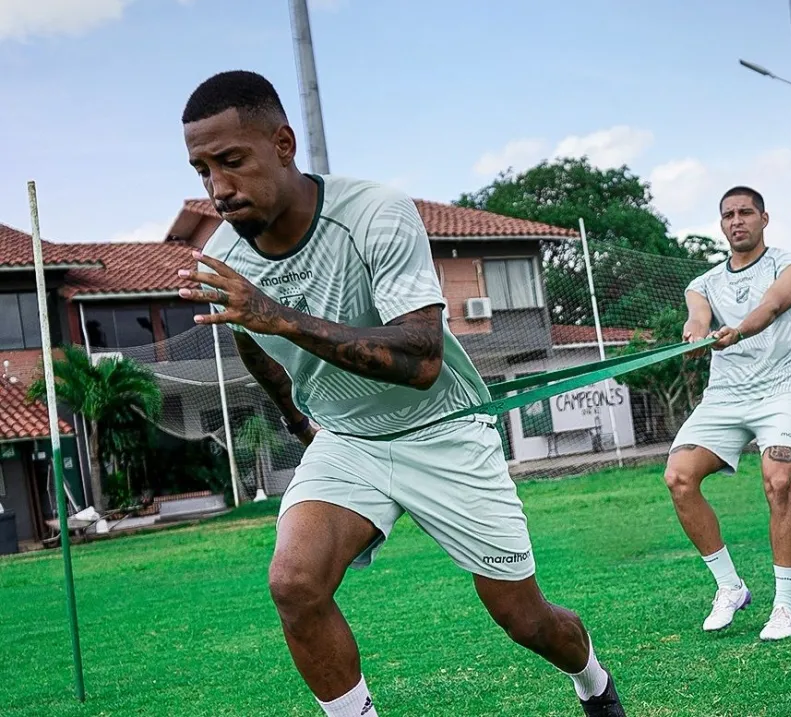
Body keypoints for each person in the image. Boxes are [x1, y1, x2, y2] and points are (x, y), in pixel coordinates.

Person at [176, 70, 626, 717]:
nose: (218, 188)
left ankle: (593, 681)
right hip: (349, 442)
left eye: (231, 161)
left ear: (283, 144)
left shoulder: (374, 213)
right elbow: (255, 344)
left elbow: (420, 358)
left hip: (444, 430)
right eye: (202, 170)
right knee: (295, 582)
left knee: (524, 619)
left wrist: (278, 315)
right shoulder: (225, 260)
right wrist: (303, 426)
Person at [665, 185, 791, 641]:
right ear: (721, 224)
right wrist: (695, 336)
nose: (737, 221)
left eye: (745, 212)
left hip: (780, 391)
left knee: (779, 481)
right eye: (728, 215)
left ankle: (784, 606)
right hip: (725, 397)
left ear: (763, 219)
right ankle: (730, 587)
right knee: (679, 477)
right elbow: (697, 316)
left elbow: (772, 306)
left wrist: (738, 332)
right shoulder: (704, 282)